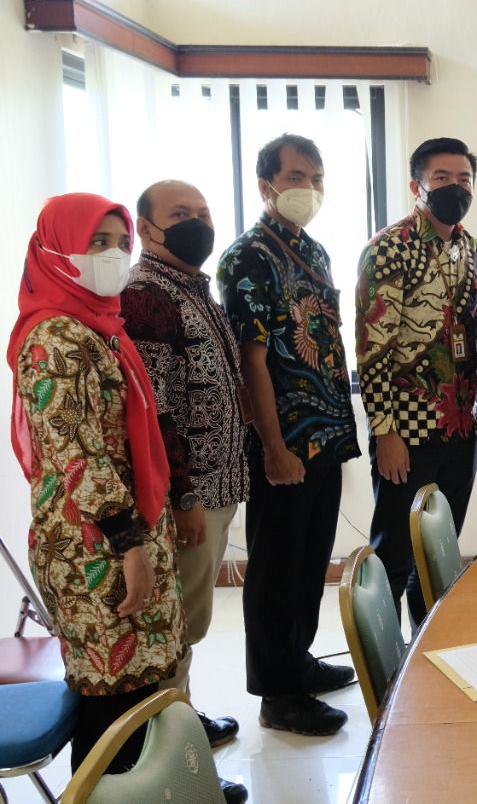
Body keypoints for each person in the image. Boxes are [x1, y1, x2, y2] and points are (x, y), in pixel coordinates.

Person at [7, 194, 188, 774]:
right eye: (97, 242)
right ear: (56, 250)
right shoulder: (54, 338)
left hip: (125, 532)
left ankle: (150, 788)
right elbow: (76, 455)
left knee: (139, 691)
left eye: (121, 243)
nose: (114, 255)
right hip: (95, 546)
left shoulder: (100, 327)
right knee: (112, 700)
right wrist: (130, 544)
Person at [218, 134, 361, 736]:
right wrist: (274, 448)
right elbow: (251, 362)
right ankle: (277, 694)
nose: (309, 188)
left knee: (309, 562)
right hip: (283, 442)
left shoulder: (313, 251)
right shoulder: (248, 257)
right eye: (297, 176)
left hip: (324, 433)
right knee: (277, 568)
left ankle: (298, 661)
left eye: (317, 177)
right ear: (266, 185)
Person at [119, 180, 249, 750]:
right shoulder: (146, 294)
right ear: (147, 229)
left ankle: (182, 722)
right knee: (177, 624)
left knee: (188, 620)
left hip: (218, 482)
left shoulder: (192, 287)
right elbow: (158, 409)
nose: (197, 222)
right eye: (180, 214)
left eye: (203, 212)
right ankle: (175, 751)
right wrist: (185, 496)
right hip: (189, 494)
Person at [356, 138, 477, 627]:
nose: (455, 187)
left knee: (439, 554)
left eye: (464, 179)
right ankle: (386, 662)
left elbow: (473, 332)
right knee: (395, 555)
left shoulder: (471, 248)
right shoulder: (389, 247)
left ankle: (426, 648)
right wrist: (384, 432)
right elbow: (373, 348)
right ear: (418, 186)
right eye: (442, 178)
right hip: (407, 431)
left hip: (461, 427)